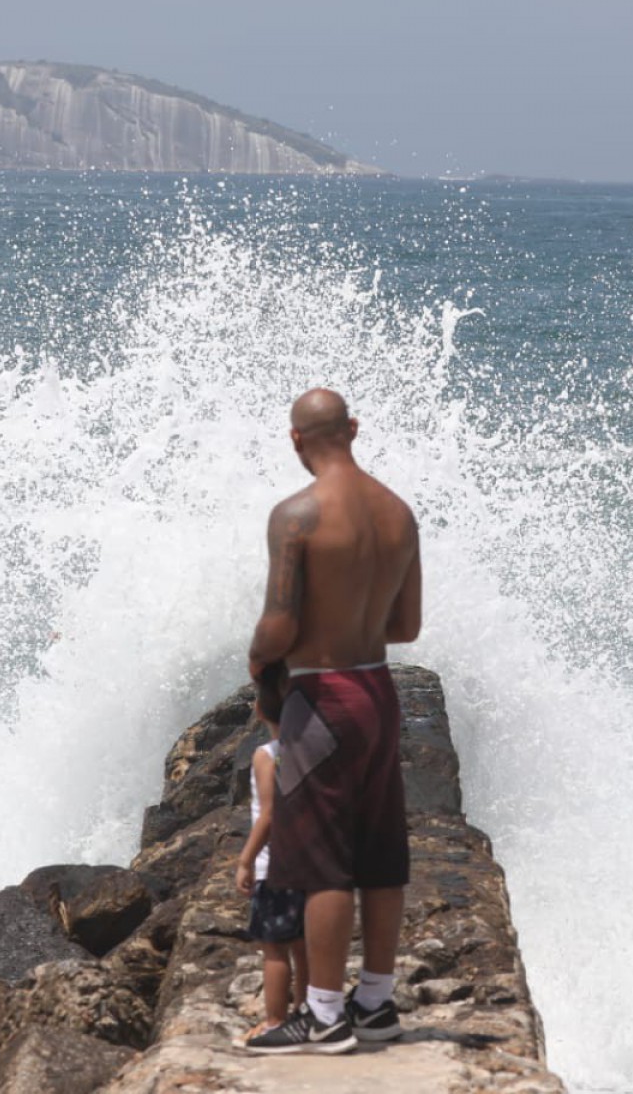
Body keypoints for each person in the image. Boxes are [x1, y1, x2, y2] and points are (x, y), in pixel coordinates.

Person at [243, 388, 422, 1057]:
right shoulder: (398, 512)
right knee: (379, 857)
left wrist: (260, 658)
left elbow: (279, 624)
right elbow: (406, 625)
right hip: (379, 690)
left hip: (322, 698)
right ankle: (374, 1001)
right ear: (353, 428)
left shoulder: (296, 515)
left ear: (295, 440)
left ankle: (321, 1014)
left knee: (319, 863)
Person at [234, 680, 309, 1045]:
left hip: (274, 868)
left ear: (260, 710)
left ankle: (275, 1021)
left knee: (274, 950)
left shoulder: (267, 754)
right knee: (302, 945)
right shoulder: (310, 751)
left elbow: (268, 814)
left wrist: (246, 860)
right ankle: (307, 1011)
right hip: (308, 863)